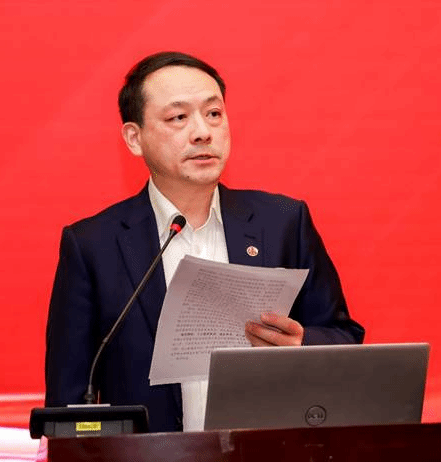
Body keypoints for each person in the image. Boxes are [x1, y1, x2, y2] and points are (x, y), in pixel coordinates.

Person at [44, 51, 365, 432]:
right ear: (134, 138)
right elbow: (67, 404)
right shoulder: (93, 246)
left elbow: (345, 338)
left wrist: (301, 345)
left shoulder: (282, 222)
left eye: (213, 113)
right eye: (178, 118)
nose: (202, 132)